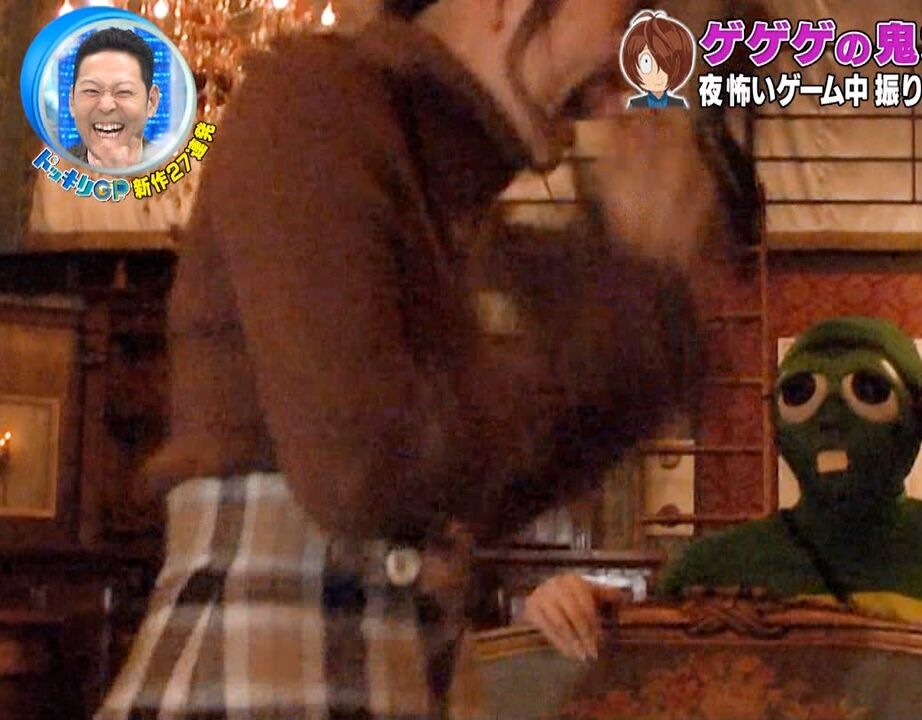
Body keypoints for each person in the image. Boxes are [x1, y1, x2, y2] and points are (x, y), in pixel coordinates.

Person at [95, 0, 752, 718]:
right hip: (271, 667)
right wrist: (633, 301)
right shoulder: (316, 99)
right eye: (626, 22)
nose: (626, 94)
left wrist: (649, 296)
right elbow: (361, 469)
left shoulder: (441, 186)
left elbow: (478, 490)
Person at [525, 316, 922, 672]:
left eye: (866, 390)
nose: (831, 416)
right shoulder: (713, 566)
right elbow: (636, 671)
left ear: (917, 423)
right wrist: (567, 605)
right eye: (802, 393)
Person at [66, 27, 160, 170]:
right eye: (91, 90)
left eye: (123, 91)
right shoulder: (50, 172)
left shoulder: (178, 172)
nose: (106, 106)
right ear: (72, 101)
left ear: (151, 102)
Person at [621, 10, 695, 110]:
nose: (658, 75)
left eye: (666, 66)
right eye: (646, 63)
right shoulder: (634, 103)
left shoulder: (679, 104)